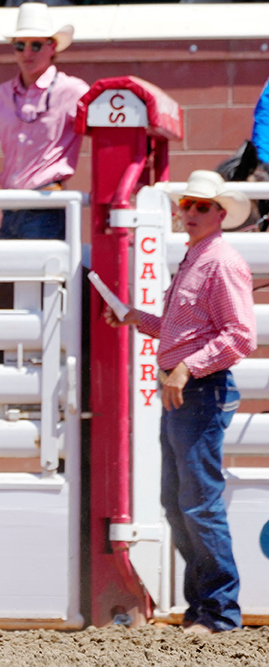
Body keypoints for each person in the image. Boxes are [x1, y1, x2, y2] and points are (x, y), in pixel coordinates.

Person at [103, 169, 254, 634]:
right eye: (187, 205)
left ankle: (218, 612)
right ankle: (204, 608)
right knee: (179, 501)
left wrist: (187, 367)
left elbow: (241, 336)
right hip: (185, 389)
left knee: (196, 503)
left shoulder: (219, 262)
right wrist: (135, 318)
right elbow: (186, 329)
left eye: (201, 207)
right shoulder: (197, 259)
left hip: (196, 389)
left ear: (220, 214)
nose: (190, 212)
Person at [0, 2, 87, 240]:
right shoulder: (1, 95)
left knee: (38, 275)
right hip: (12, 206)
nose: (27, 53)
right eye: (20, 45)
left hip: (47, 205)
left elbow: (107, 130)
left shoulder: (72, 91)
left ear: (52, 47)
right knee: (9, 274)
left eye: (35, 45)